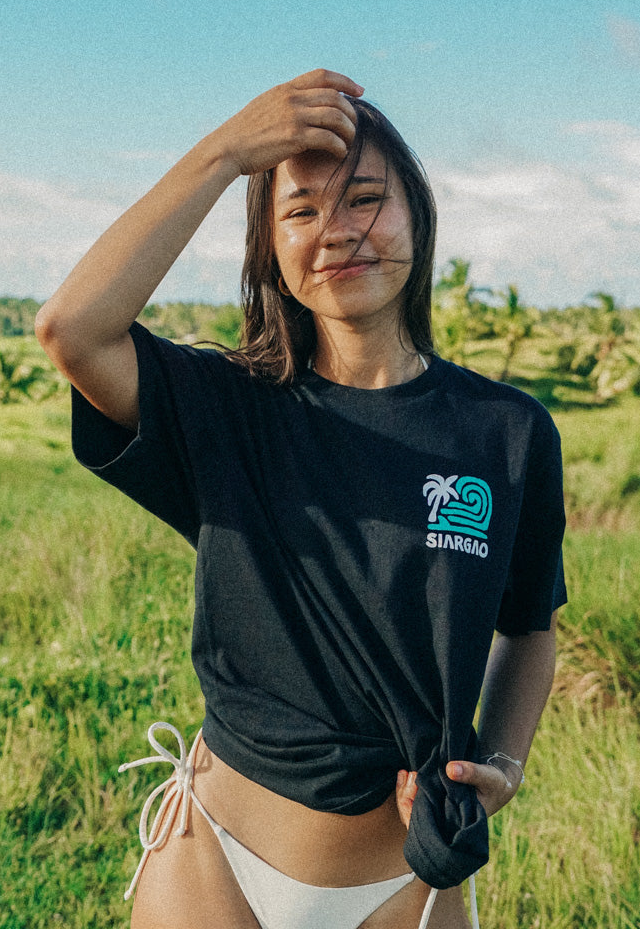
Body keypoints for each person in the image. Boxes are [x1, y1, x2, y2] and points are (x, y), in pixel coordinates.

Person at [36, 69, 566, 929]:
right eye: (300, 212)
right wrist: (225, 153)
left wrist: (502, 764)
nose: (337, 232)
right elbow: (72, 327)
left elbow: (529, 627)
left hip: (405, 890)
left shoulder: (505, 432)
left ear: (417, 215)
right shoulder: (227, 408)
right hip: (213, 861)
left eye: (365, 198)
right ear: (272, 255)